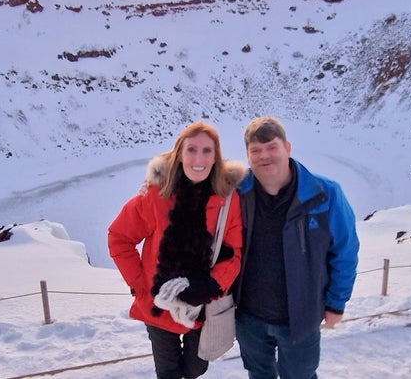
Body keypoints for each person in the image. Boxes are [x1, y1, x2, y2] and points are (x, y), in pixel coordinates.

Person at [108, 122, 246, 379]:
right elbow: (119, 238)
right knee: (168, 373)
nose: (199, 159)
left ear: (215, 156)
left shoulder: (227, 198)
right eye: (191, 150)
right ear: (179, 154)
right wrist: (141, 284)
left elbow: (233, 251)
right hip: (159, 304)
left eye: (207, 151)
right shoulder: (156, 194)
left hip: (202, 304)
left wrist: (211, 285)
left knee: (197, 367)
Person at [233, 116, 359, 379]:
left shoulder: (325, 193)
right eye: (256, 150)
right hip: (248, 316)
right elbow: (191, 182)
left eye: (272, 148)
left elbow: (345, 252)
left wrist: (336, 303)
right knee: (258, 374)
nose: (264, 156)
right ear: (247, 155)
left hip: (300, 318)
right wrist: (152, 186)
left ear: (287, 148)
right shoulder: (235, 191)